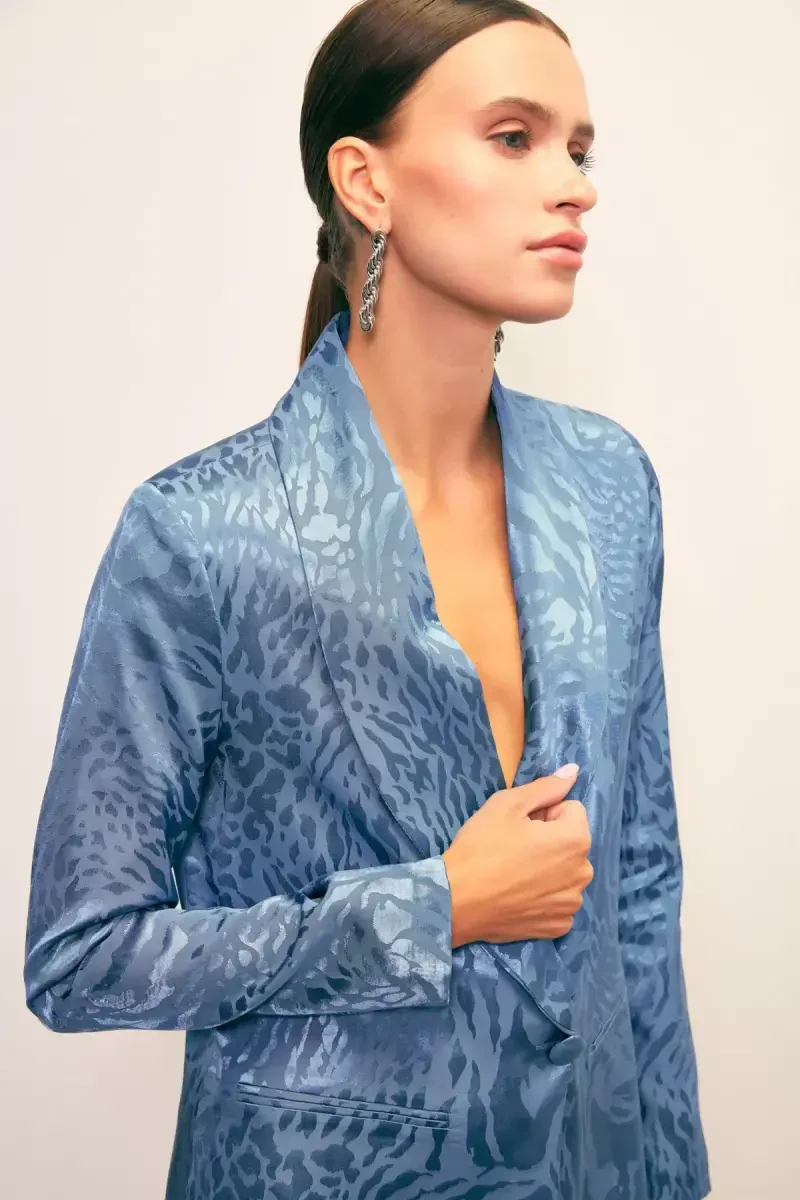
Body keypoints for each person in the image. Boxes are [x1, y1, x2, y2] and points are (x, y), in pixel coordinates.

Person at [23, 2, 710, 1198]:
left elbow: (637, 883)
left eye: (577, 147)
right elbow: (82, 958)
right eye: (513, 137)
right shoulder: (202, 532)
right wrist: (431, 907)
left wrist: (671, 1173)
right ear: (365, 182)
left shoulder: (609, 487)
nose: (573, 184)